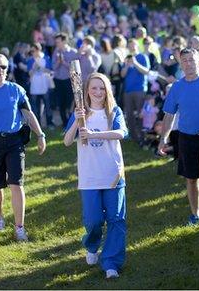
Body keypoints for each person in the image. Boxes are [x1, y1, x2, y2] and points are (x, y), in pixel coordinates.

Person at [0, 53, 46, 241]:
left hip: (14, 141)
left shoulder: (17, 90)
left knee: (16, 184)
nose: (0, 71)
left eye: (4, 67)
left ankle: (19, 227)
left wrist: (40, 135)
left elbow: (28, 114)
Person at [63, 72, 128, 279]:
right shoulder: (81, 113)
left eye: (102, 88)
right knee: (93, 221)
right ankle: (92, 245)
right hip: (90, 175)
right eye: (94, 88)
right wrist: (76, 120)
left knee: (116, 220)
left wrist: (94, 135)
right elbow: (66, 141)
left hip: (113, 174)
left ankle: (111, 263)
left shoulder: (113, 111)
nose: (98, 92)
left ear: (107, 90)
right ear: (87, 91)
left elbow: (121, 133)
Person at [159, 48, 199, 226]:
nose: (188, 64)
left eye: (192, 60)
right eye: (184, 61)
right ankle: (196, 215)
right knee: (191, 179)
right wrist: (164, 138)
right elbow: (169, 114)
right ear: (180, 65)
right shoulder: (177, 87)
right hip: (187, 138)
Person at [121, 39, 150, 145]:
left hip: (140, 90)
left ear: (137, 45)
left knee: (141, 114)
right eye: (129, 45)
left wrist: (135, 63)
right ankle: (133, 137)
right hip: (128, 90)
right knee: (129, 115)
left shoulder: (143, 57)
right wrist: (127, 65)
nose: (131, 47)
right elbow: (122, 75)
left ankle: (142, 137)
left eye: (133, 45)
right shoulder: (127, 58)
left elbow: (146, 71)